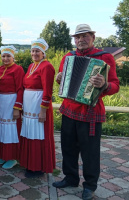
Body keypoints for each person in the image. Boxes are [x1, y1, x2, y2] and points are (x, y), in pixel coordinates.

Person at [53, 24, 120, 200]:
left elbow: (115, 85)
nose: (81, 40)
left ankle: (90, 186)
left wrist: (104, 85)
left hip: (91, 111)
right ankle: (70, 178)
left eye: (85, 36)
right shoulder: (69, 56)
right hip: (68, 109)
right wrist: (59, 79)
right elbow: (63, 79)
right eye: (77, 37)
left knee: (90, 151)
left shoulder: (105, 58)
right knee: (67, 147)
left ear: (93, 38)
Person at [19, 39, 56, 178]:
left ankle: (38, 167)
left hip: (38, 107)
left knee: (38, 135)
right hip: (29, 107)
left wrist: (43, 110)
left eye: (37, 51)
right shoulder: (31, 66)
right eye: (33, 51)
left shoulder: (46, 67)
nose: (34, 53)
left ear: (43, 53)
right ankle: (30, 163)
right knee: (30, 133)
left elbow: (48, 90)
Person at [0, 46, 24, 169]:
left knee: (10, 130)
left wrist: (17, 107)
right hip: (0, 102)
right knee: (1, 128)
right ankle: (2, 155)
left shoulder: (18, 69)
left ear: (13, 57)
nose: (5, 58)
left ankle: (12, 157)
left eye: (8, 56)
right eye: (3, 56)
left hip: (11, 101)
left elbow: (20, 89)